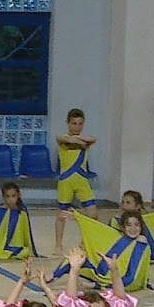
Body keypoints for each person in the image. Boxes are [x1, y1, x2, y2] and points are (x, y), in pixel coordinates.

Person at [53, 108, 97, 255]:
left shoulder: (86, 139)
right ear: (67, 123)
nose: (77, 127)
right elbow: (64, 139)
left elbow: (93, 139)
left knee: (93, 214)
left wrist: (79, 140)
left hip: (81, 181)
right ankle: (58, 244)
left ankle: (85, 242)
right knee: (62, 214)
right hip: (66, 181)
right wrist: (78, 141)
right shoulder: (62, 139)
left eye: (80, 124)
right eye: (74, 123)